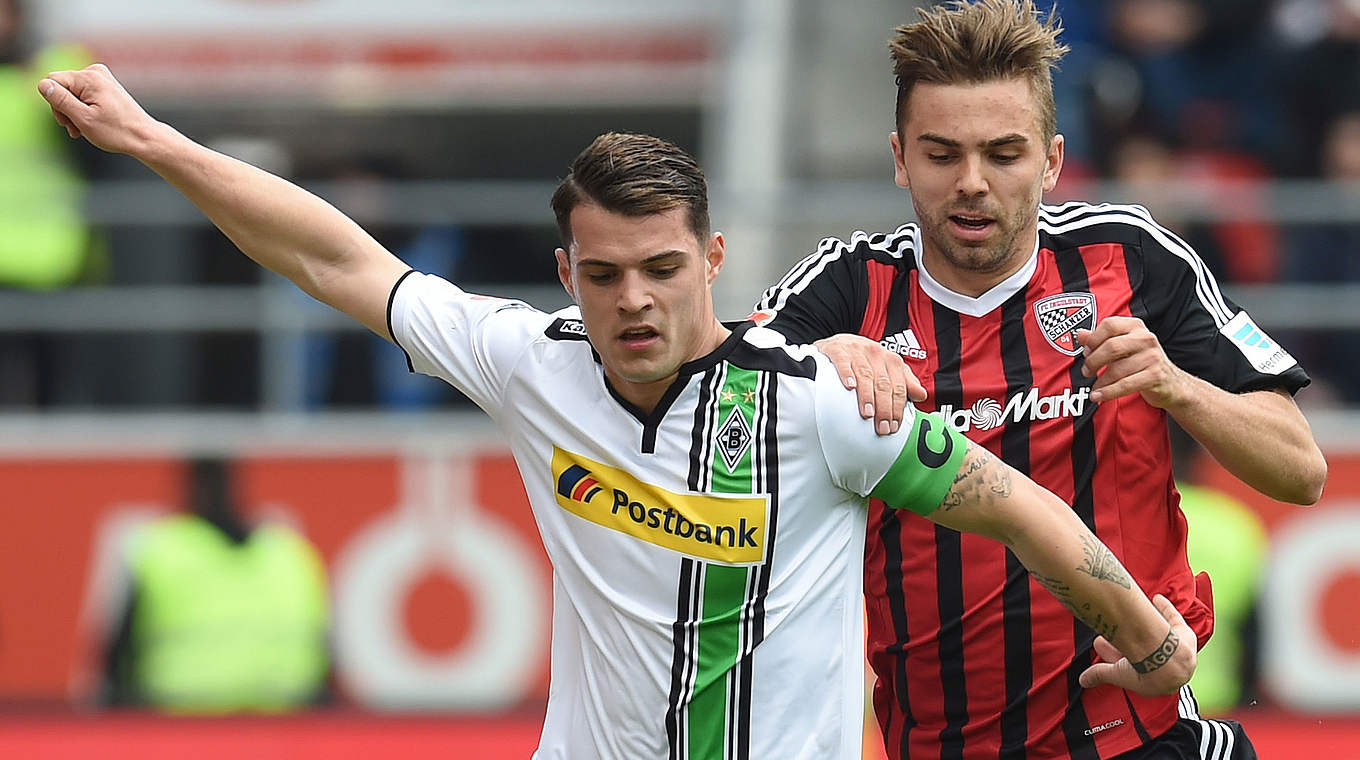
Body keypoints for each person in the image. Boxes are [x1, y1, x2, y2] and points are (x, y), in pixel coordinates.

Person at [41, 63, 1196, 758]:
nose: (633, 300)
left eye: (660, 268)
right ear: (565, 273)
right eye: (604, 275)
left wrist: (1152, 648)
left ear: (714, 260)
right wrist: (155, 142)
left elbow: (1025, 513)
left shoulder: (822, 404)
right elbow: (336, 259)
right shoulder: (529, 366)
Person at [753, 2, 1327, 759]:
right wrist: (824, 353)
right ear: (899, 158)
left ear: (1052, 160)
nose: (972, 183)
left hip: (1138, 735)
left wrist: (1177, 386)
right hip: (936, 743)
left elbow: (1301, 472)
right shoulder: (847, 288)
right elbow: (712, 401)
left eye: (1003, 152)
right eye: (940, 154)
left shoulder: (1133, 259)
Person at [103, 458, 331, 712]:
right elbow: (326, 656)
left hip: (183, 720)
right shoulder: (289, 551)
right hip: (288, 722)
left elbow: (117, 660)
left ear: (192, 490)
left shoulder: (162, 549)